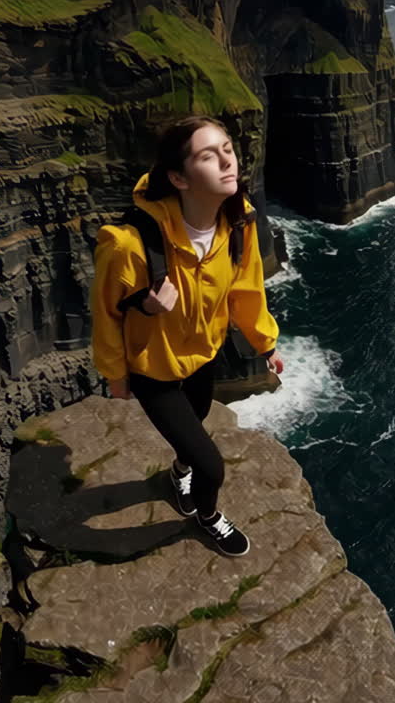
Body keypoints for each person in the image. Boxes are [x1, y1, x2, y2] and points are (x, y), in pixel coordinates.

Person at [91, 115, 284, 558]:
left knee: (193, 427)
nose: (226, 161)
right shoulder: (128, 244)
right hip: (152, 368)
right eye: (207, 155)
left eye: (228, 149)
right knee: (211, 466)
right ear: (178, 177)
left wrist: (265, 342)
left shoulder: (239, 222)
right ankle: (207, 516)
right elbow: (104, 312)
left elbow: (247, 287)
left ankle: (178, 472)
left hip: (204, 354)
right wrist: (117, 372)